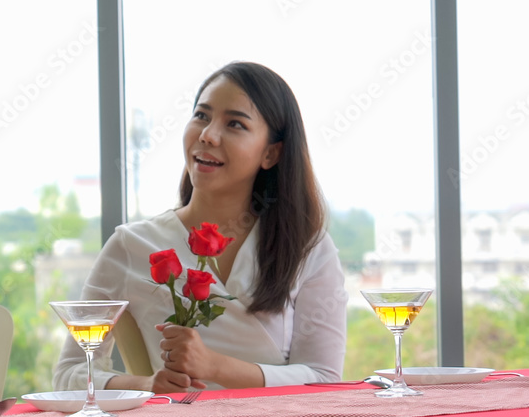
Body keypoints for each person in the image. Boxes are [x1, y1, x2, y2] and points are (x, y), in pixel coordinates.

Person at [54, 62, 347, 394]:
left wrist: (214, 366)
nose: (207, 135)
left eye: (234, 123)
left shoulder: (307, 248)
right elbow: (70, 374)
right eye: (201, 116)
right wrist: (146, 385)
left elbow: (324, 378)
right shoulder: (131, 245)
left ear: (271, 153)